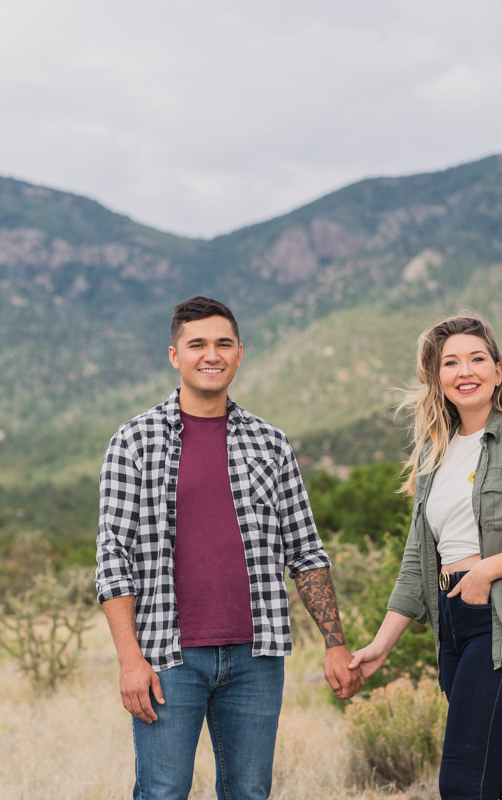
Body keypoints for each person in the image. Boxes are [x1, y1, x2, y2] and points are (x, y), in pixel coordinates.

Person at [95, 296, 362, 800]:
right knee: (162, 791)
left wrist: (334, 643)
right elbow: (113, 560)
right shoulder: (133, 441)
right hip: (167, 658)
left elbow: (305, 551)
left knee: (249, 793)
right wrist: (131, 660)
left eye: (222, 344)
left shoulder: (271, 444)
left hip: (256, 657)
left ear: (240, 353)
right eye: (196, 344)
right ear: (175, 356)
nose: (210, 355)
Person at [349, 314, 502, 800]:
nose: (466, 370)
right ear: (437, 378)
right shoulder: (433, 455)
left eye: (478, 359)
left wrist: (488, 569)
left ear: (498, 371)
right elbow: (417, 562)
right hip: (453, 632)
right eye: (451, 362)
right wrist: (381, 644)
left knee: (463, 782)